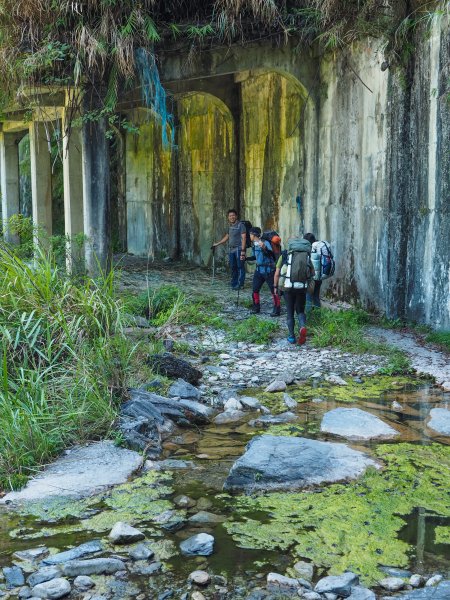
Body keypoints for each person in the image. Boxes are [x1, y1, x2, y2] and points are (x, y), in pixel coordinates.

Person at [274, 237, 312, 344]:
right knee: (300, 310)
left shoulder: (285, 255)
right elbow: (312, 272)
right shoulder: (306, 256)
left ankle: (291, 336)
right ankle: (303, 326)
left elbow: (277, 273)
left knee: (290, 312)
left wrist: (275, 287)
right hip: (301, 287)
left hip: (288, 288)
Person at [248, 227, 281, 317]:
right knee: (255, 289)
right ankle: (256, 307)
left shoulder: (265, 243)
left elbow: (270, 254)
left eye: (250, 234)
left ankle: (277, 309)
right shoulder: (254, 244)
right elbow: (254, 257)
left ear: (254, 234)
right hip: (259, 270)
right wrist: (245, 258)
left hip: (269, 270)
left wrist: (264, 248)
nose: (249, 236)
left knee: (273, 290)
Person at [212, 209, 247, 290]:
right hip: (231, 250)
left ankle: (240, 284)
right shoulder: (230, 226)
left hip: (239, 249)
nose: (232, 217)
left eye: (233, 215)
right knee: (233, 267)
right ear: (228, 217)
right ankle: (234, 283)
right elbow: (227, 237)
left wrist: (243, 251)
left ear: (236, 216)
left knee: (240, 267)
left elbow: (244, 238)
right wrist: (217, 243)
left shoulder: (240, 225)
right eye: (230, 216)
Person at [303, 232, 322, 308]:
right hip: (319, 277)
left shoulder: (306, 249)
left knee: (308, 298)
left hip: (310, 278)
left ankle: (309, 317)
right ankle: (317, 316)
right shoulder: (319, 248)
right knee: (316, 297)